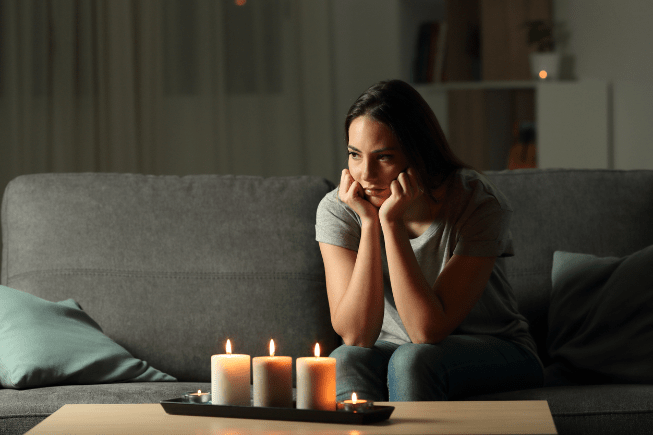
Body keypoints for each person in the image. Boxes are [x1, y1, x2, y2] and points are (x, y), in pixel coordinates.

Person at [315, 79, 543, 402]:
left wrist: (390, 223)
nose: (365, 174)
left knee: (413, 360)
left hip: (495, 347)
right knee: (342, 361)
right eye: (355, 155)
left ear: (418, 155)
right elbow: (356, 334)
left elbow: (426, 332)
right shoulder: (339, 210)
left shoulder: (477, 203)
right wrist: (369, 224)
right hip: (394, 350)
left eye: (383, 157)